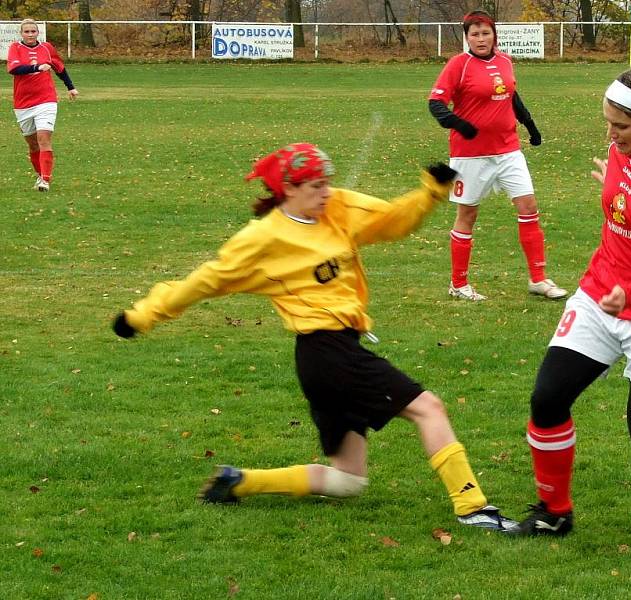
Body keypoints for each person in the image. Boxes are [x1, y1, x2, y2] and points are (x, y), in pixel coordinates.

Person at [112, 143, 517, 532]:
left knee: (348, 482)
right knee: (429, 409)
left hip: (329, 357)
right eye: (316, 186)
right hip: (326, 353)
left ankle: (240, 482)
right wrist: (142, 316)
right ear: (288, 189)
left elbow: (389, 220)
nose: (326, 192)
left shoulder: (335, 207)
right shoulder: (262, 238)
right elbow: (205, 281)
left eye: (327, 182)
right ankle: (474, 508)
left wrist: (429, 193)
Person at [508, 66, 631, 536]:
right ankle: (554, 514)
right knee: (548, 398)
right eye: (608, 123)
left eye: (622, 126)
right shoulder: (623, 152)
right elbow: (626, 200)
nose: (611, 135)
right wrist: (614, 188)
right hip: (600, 295)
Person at [428, 10, 566, 302]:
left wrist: (530, 126)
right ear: (467, 38)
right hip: (470, 156)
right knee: (468, 214)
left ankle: (538, 279)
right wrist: (459, 124)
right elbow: (436, 103)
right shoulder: (458, 65)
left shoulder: (504, 60)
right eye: (474, 34)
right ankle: (458, 284)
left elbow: (512, 96)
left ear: (494, 35)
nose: (480, 38)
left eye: (485, 33)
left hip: (508, 150)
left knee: (528, 206)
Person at [6, 18, 78, 192]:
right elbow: (14, 69)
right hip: (23, 103)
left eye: (33, 31)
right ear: (21, 33)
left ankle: (45, 180)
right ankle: (40, 174)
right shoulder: (15, 48)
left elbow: (59, 68)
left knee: (43, 138)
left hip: (46, 100)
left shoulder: (47, 48)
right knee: (32, 144)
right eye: (27, 31)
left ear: (38, 32)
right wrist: (37, 67)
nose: (30, 34)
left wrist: (71, 87)